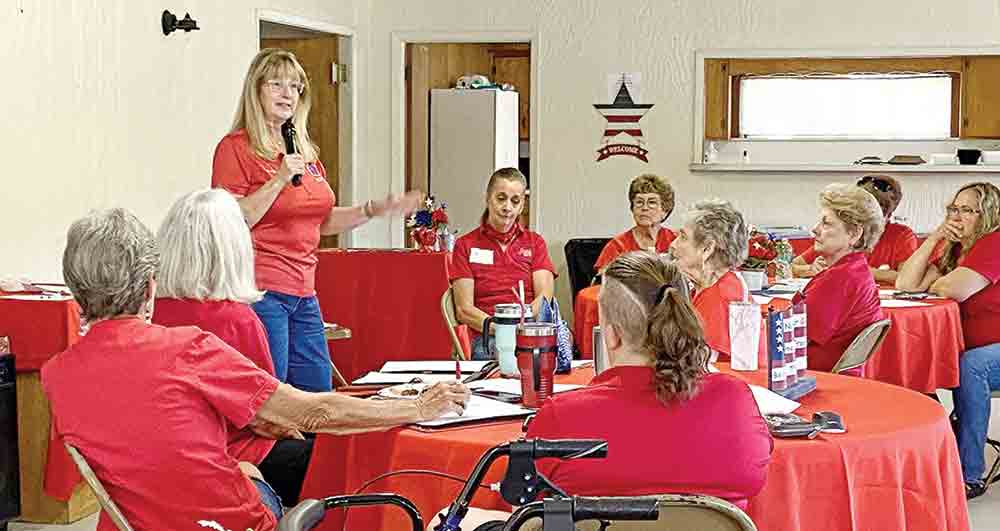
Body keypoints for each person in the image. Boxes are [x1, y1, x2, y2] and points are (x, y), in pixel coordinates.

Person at [43, 208, 469, 531]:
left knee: (249, 469)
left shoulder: (56, 375)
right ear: (150, 287)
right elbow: (310, 413)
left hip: (136, 522)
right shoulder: (187, 348)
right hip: (236, 523)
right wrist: (416, 407)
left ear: (76, 291)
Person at [212, 48, 422, 392]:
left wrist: (371, 210)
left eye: (295, 87)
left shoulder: (303, 151)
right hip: (260, 291)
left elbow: (320, 222)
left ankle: (313, 450)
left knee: (318, 393)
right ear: (256, 90)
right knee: (271, 395)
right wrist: (278, 180)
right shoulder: (235, 148)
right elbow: (230, 220)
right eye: (277, 84)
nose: (288, 94)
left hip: (304, 291)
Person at [153, 188, 312, 505]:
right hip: (233, 457)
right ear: (233, 248)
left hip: (168, 458)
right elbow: (265, 414)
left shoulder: (152, 313)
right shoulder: (237, 320)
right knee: (339, 457)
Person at [895, 182, 1000, 500]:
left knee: (972, 366)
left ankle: (969, 474)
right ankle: (940, 452)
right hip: (969, 348)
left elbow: (953, 288)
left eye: (967, 210)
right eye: (952, 209)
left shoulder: (995, 242)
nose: (957, 216)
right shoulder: (955, 248)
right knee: (915, 360)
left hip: (989, 351)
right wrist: (936, 237)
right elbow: (907, 283)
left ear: (988, 215)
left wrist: (939, 281)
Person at [451, 167, 556, 360]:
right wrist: (502, 330)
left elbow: (544, 298)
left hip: (528, 334)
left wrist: (523, 329)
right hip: (488, 338)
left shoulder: (535, 242)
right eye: (501, 198)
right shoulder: (465, 245)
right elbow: (463, 310)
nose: (507, 207)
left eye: (515, 201)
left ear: (522, 205)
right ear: (488, 198)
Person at [793, 184, 885, 375]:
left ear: (854, 234)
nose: (815, 229)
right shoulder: (855, 270)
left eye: (826, 223)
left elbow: (788, 338)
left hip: (812, 379)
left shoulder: (841, 278)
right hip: (831, 376)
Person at [792, 175, 918, 284]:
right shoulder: (838, 234)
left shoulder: (902, 235)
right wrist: (810, 269)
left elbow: (908, 278)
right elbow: (792, 266)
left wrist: (859, 270)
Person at [668, 199, 750, 361]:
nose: (672, 245)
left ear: (707, 249)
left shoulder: (720, 298)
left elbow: (698, 371)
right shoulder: (718, 283)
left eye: (682, 237)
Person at [593, 174, 677, 273]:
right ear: (632, 208)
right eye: (639, 202)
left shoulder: (675, 240)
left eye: (652, 202)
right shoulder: (617, 246)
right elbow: (604, 281)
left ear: (665, 210)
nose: (644, 208)